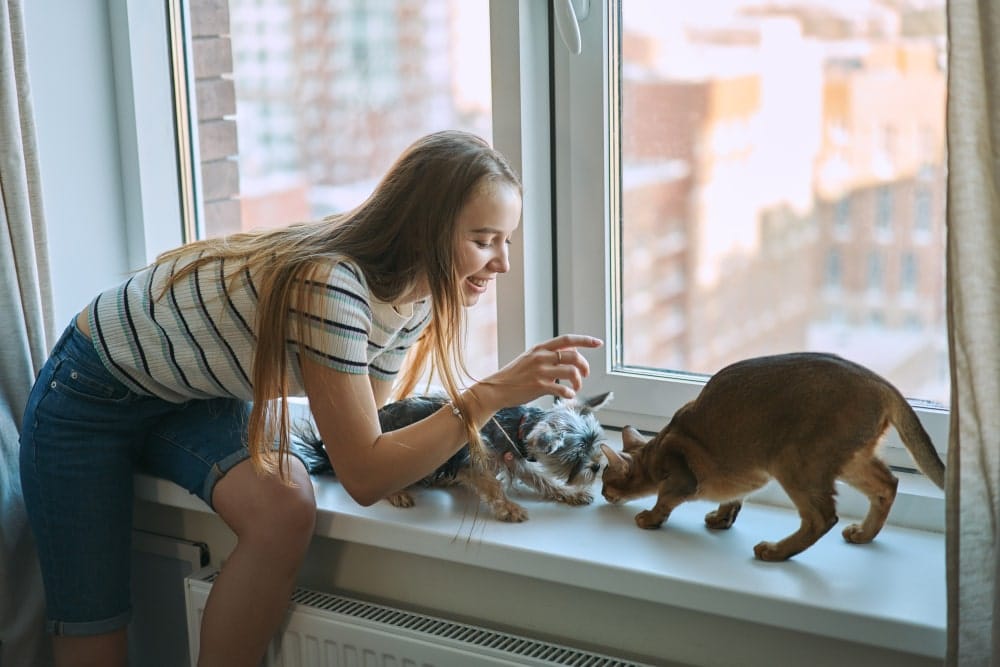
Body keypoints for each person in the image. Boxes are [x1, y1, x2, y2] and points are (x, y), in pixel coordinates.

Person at [18, 130, 602, 667]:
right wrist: (492, 395)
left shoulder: (413, 300)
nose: (501, 261)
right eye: (484, 241)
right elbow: (365, 474)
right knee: (94, 635)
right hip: (90, 392)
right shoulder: (332, 287)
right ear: (428, 228)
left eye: (506, 241)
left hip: (192, 397)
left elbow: (370, 435)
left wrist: (490, 411)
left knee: (284, 508)